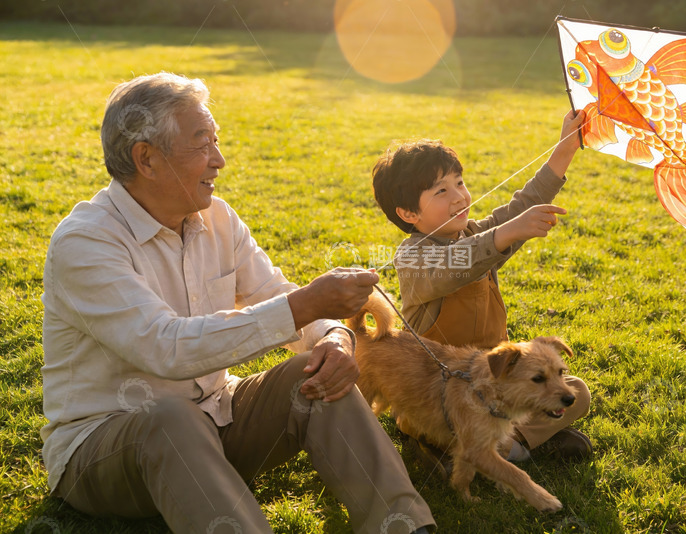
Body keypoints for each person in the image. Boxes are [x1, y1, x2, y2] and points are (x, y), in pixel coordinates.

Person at [40, 72, 435, 534]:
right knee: (169, 416)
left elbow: (279, 294)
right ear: (145, 159)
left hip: (217, 419)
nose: (219, 160)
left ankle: (405, 526)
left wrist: (335, 337)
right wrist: (306, 305)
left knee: (319, 369)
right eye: (201, 144)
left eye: (217, 141)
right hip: (103, 451)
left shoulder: (219, 217)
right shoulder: (84, 243)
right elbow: (167, 349)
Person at [371, 110, 591, 467]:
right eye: (441, 190)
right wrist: (506, 233)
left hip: (493, 383)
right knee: (435, 413)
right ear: (409, 213)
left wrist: (565, 148)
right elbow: (459, 263)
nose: (459, 196)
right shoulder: (412, 256)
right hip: (440, 390)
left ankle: (505, 440)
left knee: (576, 393)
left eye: (459, 182)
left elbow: (521, 207)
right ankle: (495, 443)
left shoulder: (474, 235)